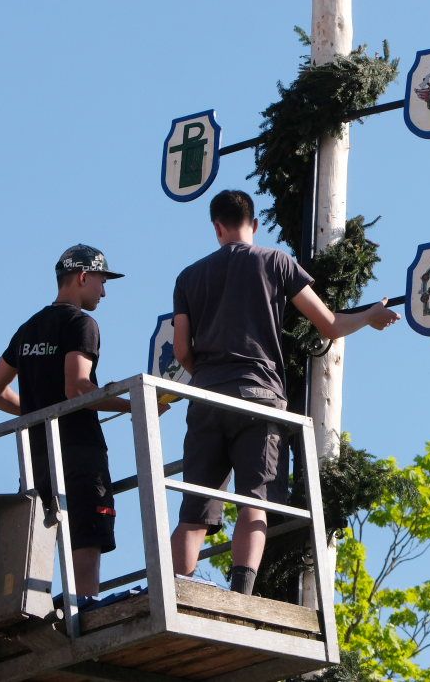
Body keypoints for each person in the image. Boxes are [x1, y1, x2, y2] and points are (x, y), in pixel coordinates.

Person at [170, 189, 400, 595]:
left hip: (206, 399)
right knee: (255, 501)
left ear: (217, 227)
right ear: (255, 224)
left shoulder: (188, 277)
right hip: (259, 398)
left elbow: (182, 351)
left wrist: (208, 377)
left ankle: (174, 591)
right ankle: (241, 595)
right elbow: (329, 324)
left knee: (195, 509)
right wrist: (370, 315)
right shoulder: (275, 262)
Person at [0, 244, 136, 598]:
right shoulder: (82, 323)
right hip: (79, 453)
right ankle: (84, 609)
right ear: (82, 276)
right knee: (87, 536)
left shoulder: (28, 329)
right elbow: (77, 387)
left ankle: (33, 613)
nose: (104, 292)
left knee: (36, 543)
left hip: (36, 458)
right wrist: (132, 405)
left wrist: (37, 413)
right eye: (101, 281)